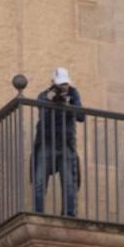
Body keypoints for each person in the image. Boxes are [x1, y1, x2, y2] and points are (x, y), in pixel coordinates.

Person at [31, 66, 83, 216]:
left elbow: (81, 117)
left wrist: (70, 103)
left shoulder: (73, 94)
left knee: (68, 182)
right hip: (46, 142)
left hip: (66, 143)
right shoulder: (44, 95)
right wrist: (50, 101)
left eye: (66, 84)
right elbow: (44, 118)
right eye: (61, 84)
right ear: (53, 83)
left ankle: (69, 214)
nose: (64, 87)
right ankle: (38, 214)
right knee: (39, 181)